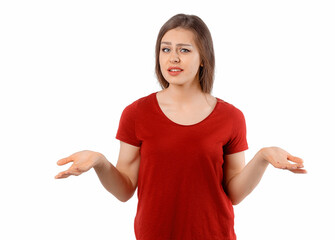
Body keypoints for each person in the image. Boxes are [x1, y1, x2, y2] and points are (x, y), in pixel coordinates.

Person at [55, 13, 307, 240]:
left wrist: (262, 158)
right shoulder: (136, 113)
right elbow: (124, 190)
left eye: (184, 50)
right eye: (165, 50)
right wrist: (100, 162)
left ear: (203, 59)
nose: (173, 58)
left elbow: (235, 193)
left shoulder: (231, 117)